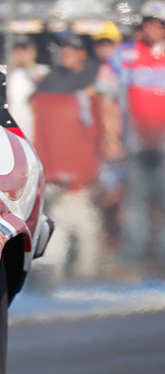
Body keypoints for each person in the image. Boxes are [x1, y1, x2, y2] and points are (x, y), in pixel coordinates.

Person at [29, 36, 121, 281]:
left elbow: (107, 117)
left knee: (84, 223)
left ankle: (84, 273)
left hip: (87, 164)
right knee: (62, 220)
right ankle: (60, 272)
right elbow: (40, 124)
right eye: (64, 49)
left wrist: (108, 150)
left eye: (73, 49)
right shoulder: (49, 82)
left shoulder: (97, 80)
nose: (67, 53)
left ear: (83, 53)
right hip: (55, 166)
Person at [109, 7, 165, 268]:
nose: (153, 28)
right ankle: (134, 255)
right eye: (148, 22)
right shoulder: (126, 53)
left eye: (159, 23)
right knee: (135, 201)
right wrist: (110, 135)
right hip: (135, 143)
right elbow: (108, 95)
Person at [4, 35, 45, 142]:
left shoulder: (41, 70)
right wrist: (12, 64)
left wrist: (29, 63)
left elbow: (45, 84)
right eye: (18, 50)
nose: (21, 54)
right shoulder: (10, 73)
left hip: (33, 130)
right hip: (13, 128)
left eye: (24, 50)